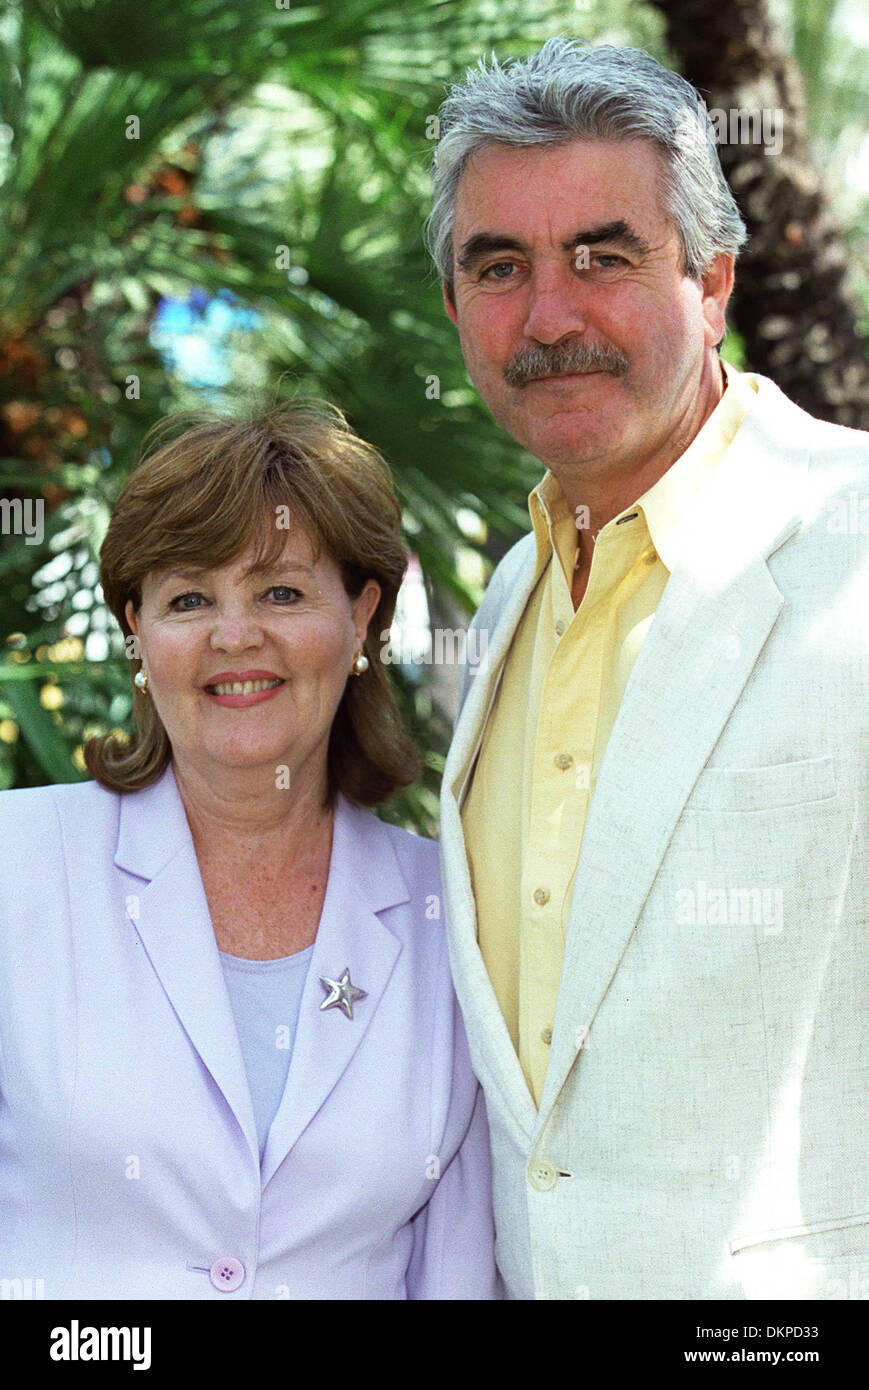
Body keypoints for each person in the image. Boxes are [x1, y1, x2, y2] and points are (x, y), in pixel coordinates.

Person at [428, 37, 869, 1299]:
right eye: (497, 265)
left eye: (603, 255)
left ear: (711, 280)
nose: (548, 315)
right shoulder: (509, 597)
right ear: (456, 309)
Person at [0, 398, 498, 1299]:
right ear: (137, 636)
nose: (236, 636)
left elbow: (455, 1272)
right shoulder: (17, 867)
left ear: (362, 619)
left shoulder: (450, 919)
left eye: (280, 591)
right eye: (189, 598)